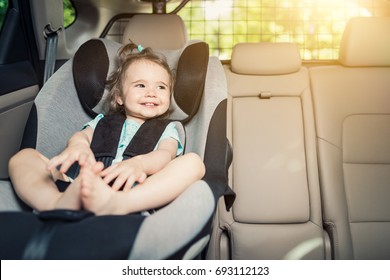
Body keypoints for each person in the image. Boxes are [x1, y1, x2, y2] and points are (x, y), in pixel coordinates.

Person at [8, 42, 205, 216]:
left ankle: (118, 204)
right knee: (23, 157)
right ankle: (54, 203)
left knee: (194, 163)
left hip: (134, 190)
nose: (152, 93)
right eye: (141, 85)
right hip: (81, 184)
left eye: (161, 87)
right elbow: (81, 136)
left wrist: (140, 165)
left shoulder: (168, 128)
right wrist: (78, 147)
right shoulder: (102, 121)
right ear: (119, 96)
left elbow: (165, 154)